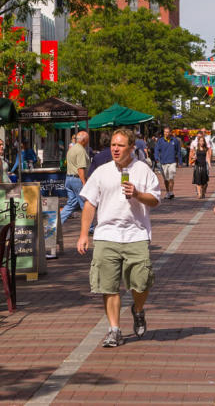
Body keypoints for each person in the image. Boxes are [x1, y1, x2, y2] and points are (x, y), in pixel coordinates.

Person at [76, 128, 161, 349]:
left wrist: (137, 194)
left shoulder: (143, 170)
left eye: (120, 145)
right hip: (106, 235)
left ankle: (138, 309)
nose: (115, 149)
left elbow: (155, 200)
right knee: (109, 286)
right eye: (113, 144)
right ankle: (114, 330)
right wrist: (84, 234)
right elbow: (89, 203)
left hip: (136, 234)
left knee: (141, 283)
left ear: (132, 147)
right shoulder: (102, 172)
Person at [60, 131, 91, 227]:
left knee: (71, 204)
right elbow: (80, 168)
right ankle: (90, 227)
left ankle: (57, 223)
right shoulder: (80, 150)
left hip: (69, 178)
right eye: (88, 139)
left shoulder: (72, 149)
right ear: (84, 140)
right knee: (85, 204)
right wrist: (84, 182)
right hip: (77, 180)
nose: (88, 141)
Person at [153, 127, 182, 200]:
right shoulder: (160, 141)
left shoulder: (175, 141)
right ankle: (168, 192)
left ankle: (171, 192)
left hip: (172, 162)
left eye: (167, 132)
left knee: (171, 177)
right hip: (163, 162)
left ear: (170, 133)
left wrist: (180, 161)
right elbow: (156, 150)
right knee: (166, 179)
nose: (166, 133)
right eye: (165, 132)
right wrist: (156, 158)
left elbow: (178, 151)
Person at [190, 135, 211, 199]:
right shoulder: (196, 148)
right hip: (197, 165)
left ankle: (203, 192)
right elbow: (192, 156)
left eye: (202, 141)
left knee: (204, 182)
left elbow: (207, 157)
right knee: (198, 180)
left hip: (204, 165)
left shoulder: (206, 149)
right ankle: (199, 194)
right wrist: (193, 158)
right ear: (198, 142)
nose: (201, 142)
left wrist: (209, 164)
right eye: (200, 141)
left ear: (204, 142)